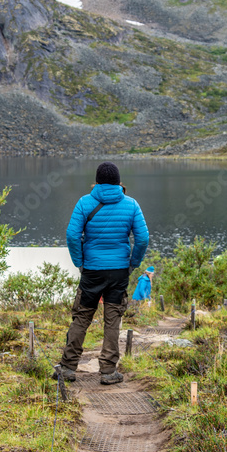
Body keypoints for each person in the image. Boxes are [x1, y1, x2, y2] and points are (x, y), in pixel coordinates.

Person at [54, 161, 149, 386]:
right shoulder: (131, 204)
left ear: (96, 181)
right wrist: (132, 264)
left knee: (82, 317)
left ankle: (68, 367)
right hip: (118, 272)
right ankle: (108, 371)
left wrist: (80, 263)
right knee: (112, 320)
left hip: (92, 271)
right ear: (118, 182)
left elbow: (71, 235)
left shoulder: (84, 203)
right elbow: (142, 239)